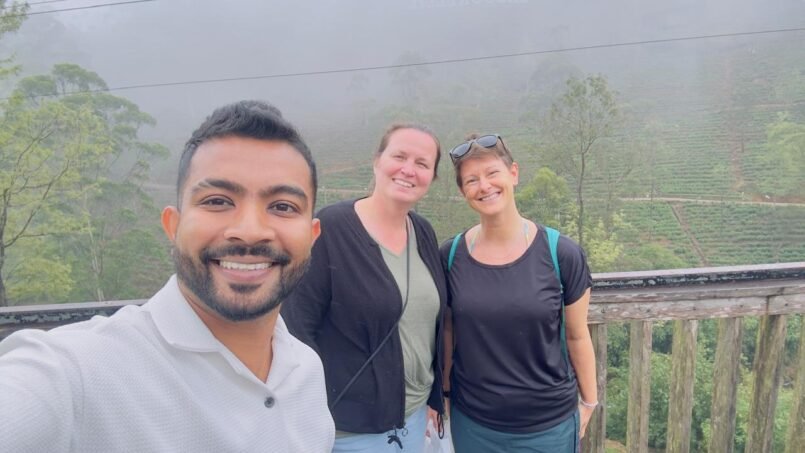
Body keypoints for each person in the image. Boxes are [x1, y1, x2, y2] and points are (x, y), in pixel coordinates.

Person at [0, 100, 335, 452]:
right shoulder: (76, 373)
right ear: (172, 226)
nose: (250, 231)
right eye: (218, 201)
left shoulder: (306, 370)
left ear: (312, 236)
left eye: (282, 206)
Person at [282, 124, 448, 453]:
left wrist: (434, 399)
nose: (408, 170)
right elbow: (296, 327)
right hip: (350, 430)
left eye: (422, 163)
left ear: (431, 176)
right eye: (399, 156)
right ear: (377, 161)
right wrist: (310, 410)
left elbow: (429, 327)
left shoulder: (423, 232)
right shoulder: (331, 229)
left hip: (414, 421)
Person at [441, 134, 596, 452]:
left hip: (549, 426)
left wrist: (590, 402)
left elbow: (577, 335)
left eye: (492, 173)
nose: (484, 186)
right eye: (472, 180)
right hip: (474, 424)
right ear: (463, 191)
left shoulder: (561, 253)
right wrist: (443, 395)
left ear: (513, 173)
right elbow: (448, 332)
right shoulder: (451, 256)